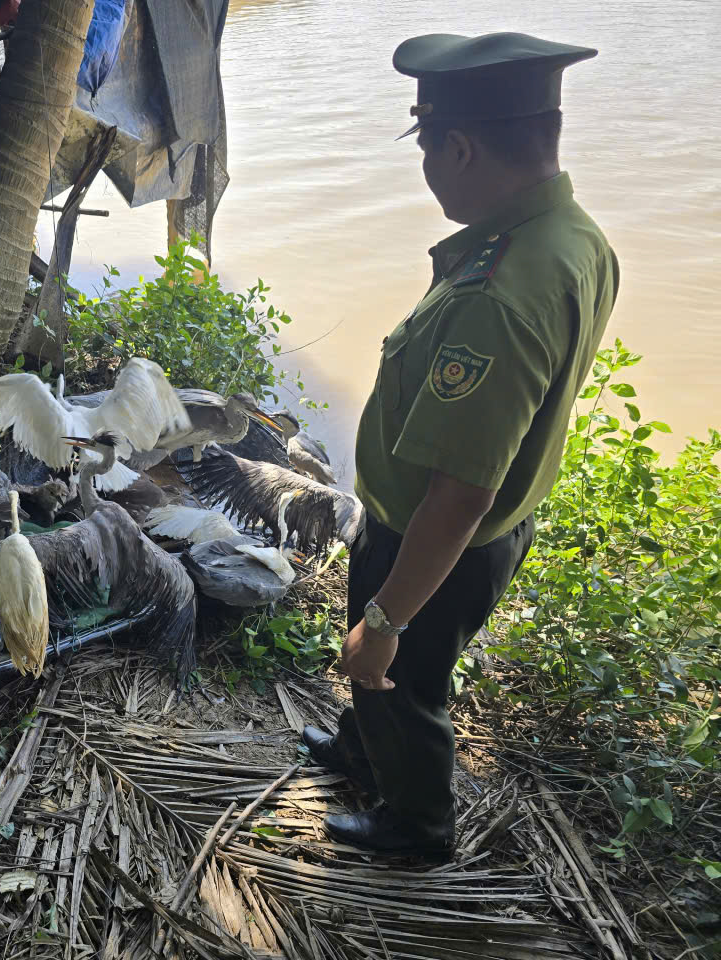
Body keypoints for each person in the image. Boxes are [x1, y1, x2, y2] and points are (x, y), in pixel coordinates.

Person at [301, 32, 619, 858]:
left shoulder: (499, 294)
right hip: (475, 525)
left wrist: (386, 616)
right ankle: (363, 750)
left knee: (399, 671)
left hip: (435, 539)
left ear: (462, 148)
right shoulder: (575, 237)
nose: (427, 169)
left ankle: (416, 825)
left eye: (427, 148)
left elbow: (460, 494)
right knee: (385, 674)